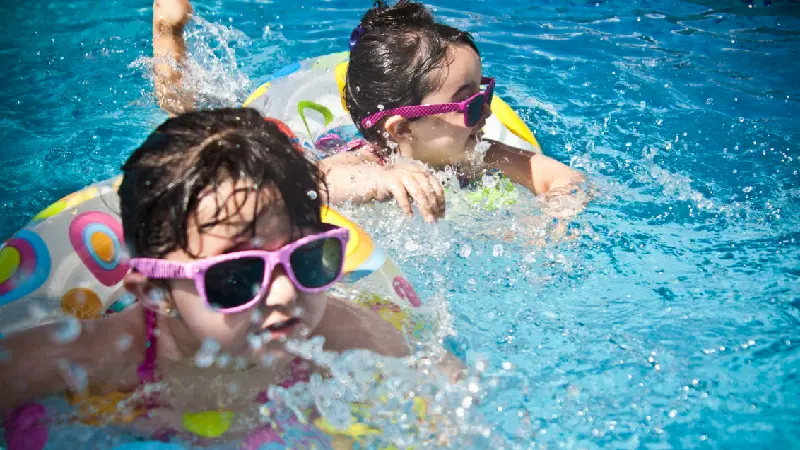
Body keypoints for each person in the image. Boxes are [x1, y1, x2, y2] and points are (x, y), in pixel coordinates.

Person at [0, 108, 411, 447]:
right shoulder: (89, 362)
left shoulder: (348, 338)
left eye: (306, 259)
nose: (286, 293)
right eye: (237, 276)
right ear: (155, 292)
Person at [151, 0, 585, 224]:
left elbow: (560, 178)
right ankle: (169, 33)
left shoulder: (481, 153)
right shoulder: (365, 159)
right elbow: (307, 189)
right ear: (399, 128)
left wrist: (554, 218)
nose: (486, 114)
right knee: (192, 124)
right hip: (314, 144)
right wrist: (380, 180)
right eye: (471, 104)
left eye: (486, 94)